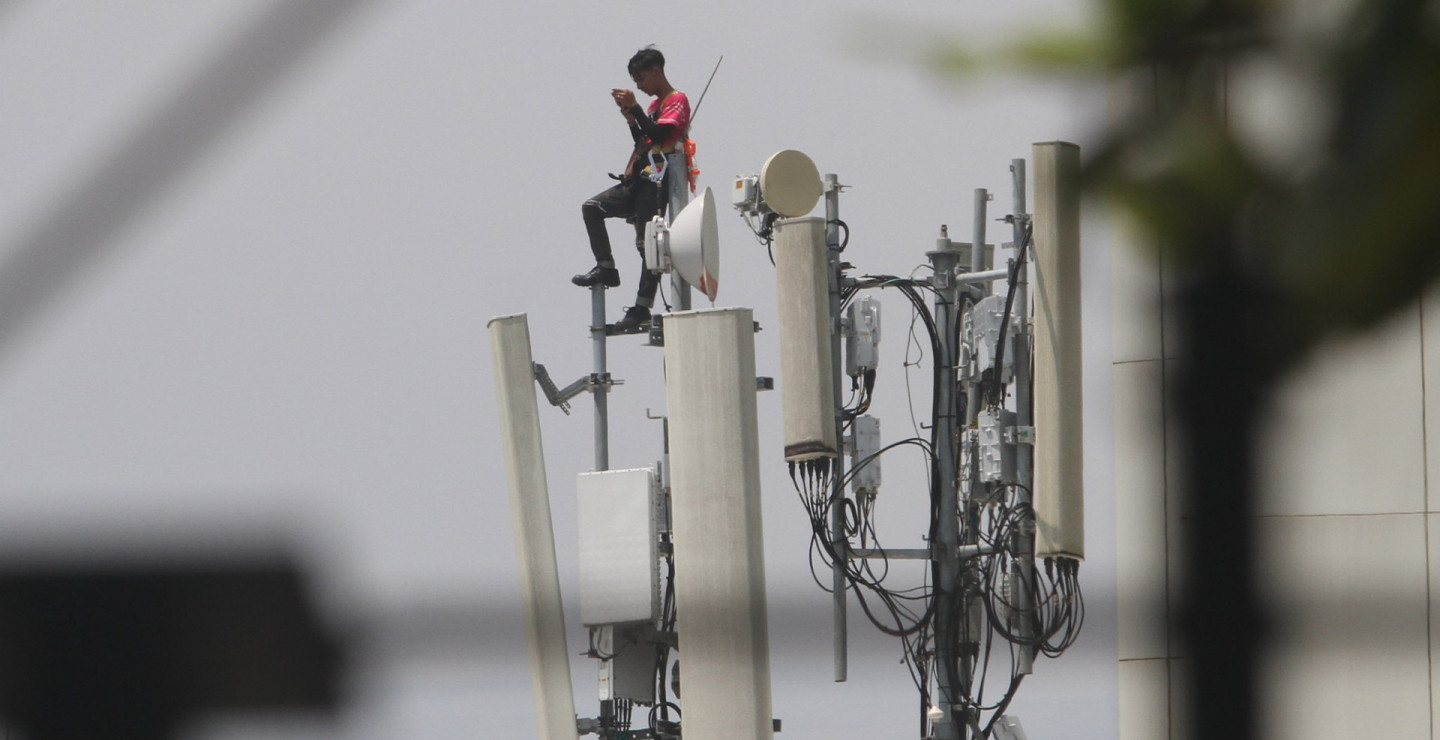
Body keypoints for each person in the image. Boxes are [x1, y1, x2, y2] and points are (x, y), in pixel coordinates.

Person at [572, 47, 690, 333]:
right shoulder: (653, 106)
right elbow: (645, 139)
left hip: (658, 181)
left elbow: (661, 134)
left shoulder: (677, 100)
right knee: (592, 208)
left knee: (647, 245)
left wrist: (635, 108)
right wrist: (631, 119)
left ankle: (641, 307)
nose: (639, 86)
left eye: (641, 79)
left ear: (656, 71)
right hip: (641, 179)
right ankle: (606, 267)